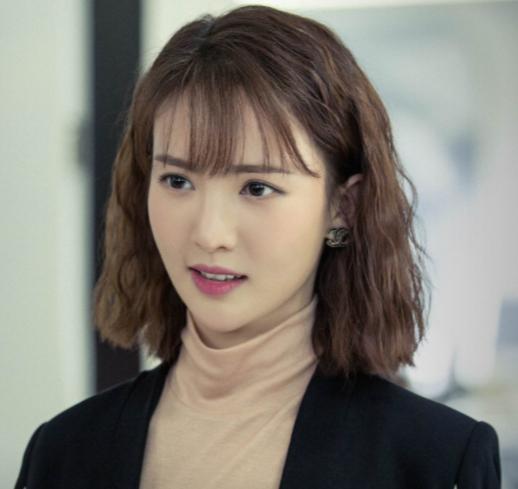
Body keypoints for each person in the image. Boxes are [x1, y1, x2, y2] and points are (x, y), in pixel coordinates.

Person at [15, 4, 501, 489]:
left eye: (256, 188)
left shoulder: (436, 460)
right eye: (178, 180)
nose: (209, 234)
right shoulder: (63, 452)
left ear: (343, 206)